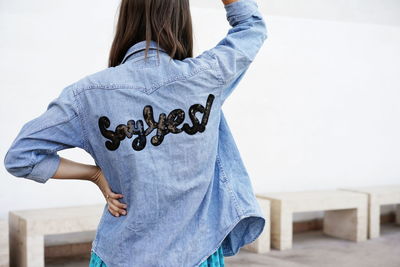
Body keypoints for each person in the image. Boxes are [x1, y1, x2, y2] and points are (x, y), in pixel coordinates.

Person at [3, 0, 268, 266]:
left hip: (120, 255)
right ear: (180, 19)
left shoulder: (86, 95)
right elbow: (251, 26)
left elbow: (21, 156)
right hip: (197, 254)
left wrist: (94, 174)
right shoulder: (206, 76)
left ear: (127, 19)